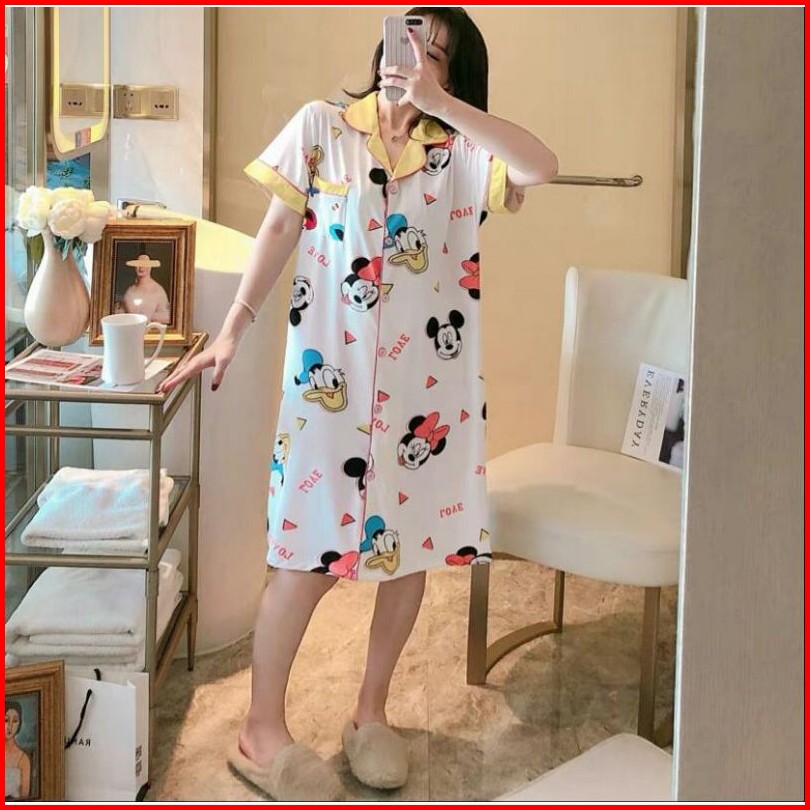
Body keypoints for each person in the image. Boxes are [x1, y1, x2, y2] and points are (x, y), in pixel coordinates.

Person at [159, 7, 558, 801]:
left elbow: (541, 166)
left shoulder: (463, 154)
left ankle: (370, 714)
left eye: (436, 54)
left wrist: (444, 107)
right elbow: (279, 227)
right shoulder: (321, 128)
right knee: (304, 560)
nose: (413, 59)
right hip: (327, 394)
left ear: (454, 75)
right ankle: (260, 730)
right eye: (407, 41)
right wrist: (231, 329)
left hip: (427, 398)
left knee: (408, 559)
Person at [121, 254, 171, 324]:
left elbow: (167, 317)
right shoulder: (130, 291)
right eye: (139, 264)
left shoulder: (158, 291)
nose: (141, 267)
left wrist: (149, 316)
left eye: (145, 264)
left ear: (150, 267)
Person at [5, 700, 31, 800]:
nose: (10, 726)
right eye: (6, 720)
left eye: (15, 721)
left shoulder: (23, 759)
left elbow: (25, 797)